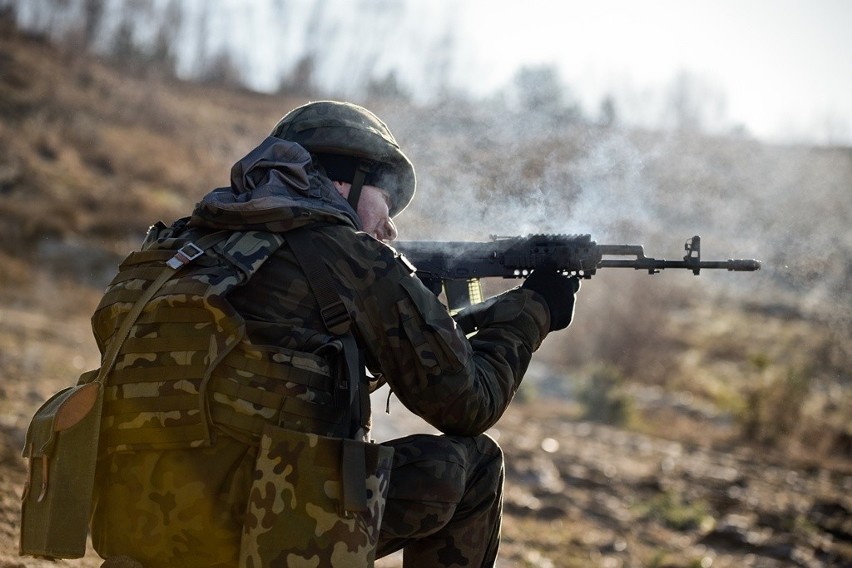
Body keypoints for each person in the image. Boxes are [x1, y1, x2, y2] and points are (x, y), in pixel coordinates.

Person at [88, 100, 579, 568]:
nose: (388, 228)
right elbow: (469, 404)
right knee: (474, 468)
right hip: (260, 531)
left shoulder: (176, 246)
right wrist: (531, 311)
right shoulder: (351, 257)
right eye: (384, 200)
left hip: (137, 523)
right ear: (346, 179)